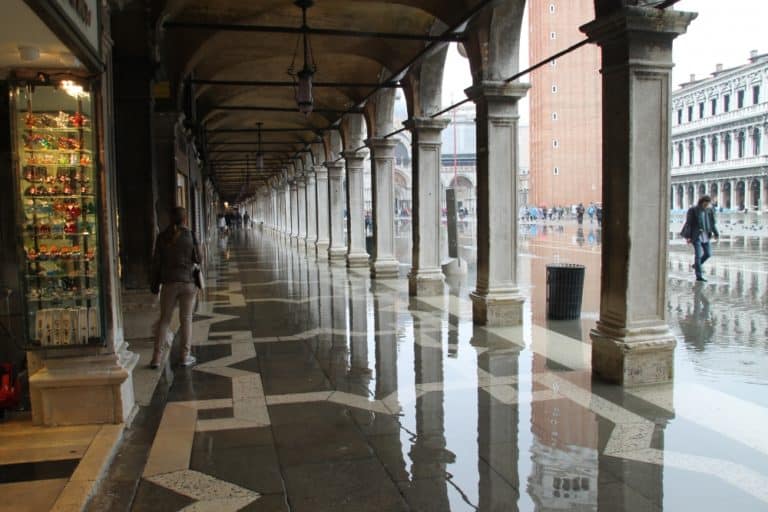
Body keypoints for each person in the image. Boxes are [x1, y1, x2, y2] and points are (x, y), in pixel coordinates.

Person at [150, 207, 201, 368]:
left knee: (164, 319)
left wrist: (155, 283)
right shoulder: (190, 235)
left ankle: (156, 358)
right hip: (188, 282)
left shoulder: (162, 237)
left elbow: (156, 263)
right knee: (186, 320)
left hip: (169, 283)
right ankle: (185, 356)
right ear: (185, 219)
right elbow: (198, 258)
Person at [681, 195, 719, 282]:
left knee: (708, 253)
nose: (706, 206)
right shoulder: (693, 210)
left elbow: (712, 224)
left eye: (708, 204)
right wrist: (688, 236)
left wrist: (716, 233)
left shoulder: (709, 210)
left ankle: (696, 265)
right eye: (705, 204)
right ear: (701, 202)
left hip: (706, 235)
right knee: (698, 255)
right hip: (696, 235)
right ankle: (699, 276)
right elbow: (689, 224)